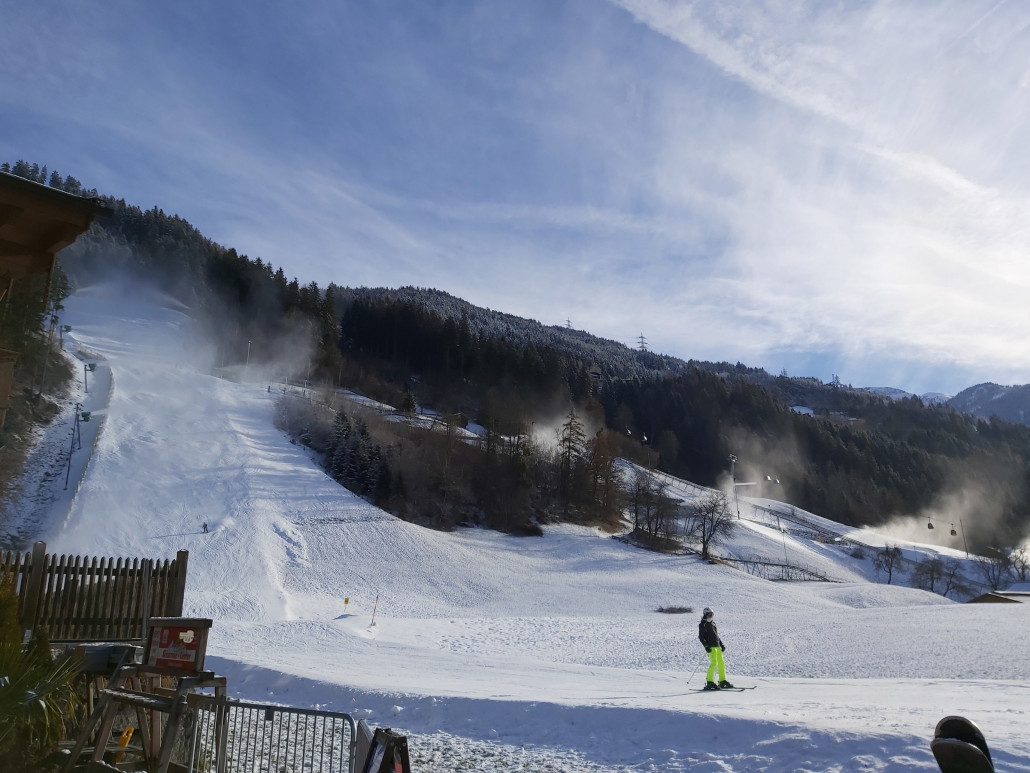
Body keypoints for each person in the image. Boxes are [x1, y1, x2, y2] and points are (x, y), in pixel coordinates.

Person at [698, 607, 733, 690]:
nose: (710, 616)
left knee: (721, 663)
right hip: (711, 647)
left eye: (711, 614)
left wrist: (721, 644)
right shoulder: (703, 624)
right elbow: (701, 637)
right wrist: (706, 646)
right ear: (705, 614)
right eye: (709, 614)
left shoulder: (713, 623)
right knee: (714, 663)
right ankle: (709, 681)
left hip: (717, 646)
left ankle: (722, 680)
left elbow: (716, 635)